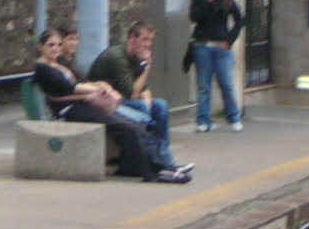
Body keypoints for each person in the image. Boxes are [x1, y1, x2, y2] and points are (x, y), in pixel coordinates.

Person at [31, 29, 191, 183]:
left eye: (58, 45)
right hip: (69, 109)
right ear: (41, 46)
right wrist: (98, 89)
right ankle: (151, 172)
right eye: (51, 45)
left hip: (83, 103)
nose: (55, 49)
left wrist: (99, 86)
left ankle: (155, 166)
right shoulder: (42, 69)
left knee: (134, 125)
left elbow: (81, 81)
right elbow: (70, 88)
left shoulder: (60, 64)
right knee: (125, 126)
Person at [86, 21, 188, 173]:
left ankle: (165, 159)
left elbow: (144, 90)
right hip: (104, 104)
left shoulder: (136, 57)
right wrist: (146, 68)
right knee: (141, 107)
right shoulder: (117, 57)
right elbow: (132, 93)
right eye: (145, 40)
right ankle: (156, 161)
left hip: (121, 101)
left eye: (151, 40)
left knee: (160, 105)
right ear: (132, 39)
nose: (149, 45)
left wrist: (147, 101)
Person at [189, 0, 244, 132]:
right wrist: (208, 0)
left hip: (222, 47)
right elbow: (195, 18)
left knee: (226, 83)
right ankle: (203, 120)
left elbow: (239, 20)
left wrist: (230, 39)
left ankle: (234, 116)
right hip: (203, 46)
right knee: (203, 86)